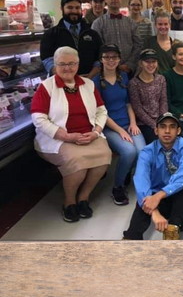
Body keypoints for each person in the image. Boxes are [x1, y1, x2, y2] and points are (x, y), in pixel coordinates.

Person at [31, 46, 111, 222]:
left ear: (78, 64)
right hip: (59, 139)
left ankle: (83, 197)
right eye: (62, 64)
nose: (67, 68)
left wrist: (96, 132)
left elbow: (101, 111)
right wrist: (66, 136)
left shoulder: (88, 84)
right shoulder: (46, 87)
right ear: (55, 65)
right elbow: (38, 118)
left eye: (72, 64)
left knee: (104, 157)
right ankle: (69, 202)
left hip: (89, 135)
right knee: (78, 164)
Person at [122, 112, 183, 240]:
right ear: (156, 130)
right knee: (145, 195)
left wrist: (159, 195)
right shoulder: (147, 151)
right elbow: (141, 179)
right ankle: (132, 236)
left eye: (172, 127)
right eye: (162, 126)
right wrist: (154, 210)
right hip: (156, 198)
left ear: (178, 131)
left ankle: (173, 229)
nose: (167, 131)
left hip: (176, 195)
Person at [93, 44, 146, 206]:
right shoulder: (95, 82)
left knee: (142, 151)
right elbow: (100, 112)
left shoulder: (123, 76)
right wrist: (120, 131)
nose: (111, 60)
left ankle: (126, 171)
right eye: (107, 57)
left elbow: (128, 103)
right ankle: (118, 187)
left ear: (119, 59)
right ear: (101, 59)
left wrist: (132, 123)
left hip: (127, 122)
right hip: (109, 127)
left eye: (114, 57)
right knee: (129, 151)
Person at [40, 0, 102, 79]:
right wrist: (64, 76)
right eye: (70, 7)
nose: (74, 11)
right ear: (62, 9)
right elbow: (47, 58)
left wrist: (90, 77)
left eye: (77, 8)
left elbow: (99, 58)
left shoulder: (92, 33)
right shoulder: (51, 34)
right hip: (62, 82)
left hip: (90, 80)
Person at [92, 0, 143, 77]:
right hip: (107, 73)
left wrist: (129, 65)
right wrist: (112, 65)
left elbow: (138, 45)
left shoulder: (131, 23)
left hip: (130, 72)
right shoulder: (98, 23)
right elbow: (96, 49)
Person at [129, 49, 168, 144]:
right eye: (147, 62)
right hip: (144, 123)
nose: (151, 65)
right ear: (140, 63)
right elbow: (137, 109)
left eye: (153, 61)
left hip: (161, 119)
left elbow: (163, 101)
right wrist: (154, 125)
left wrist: (162, 121)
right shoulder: (134, 83)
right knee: (158, 141)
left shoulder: (161, 79)